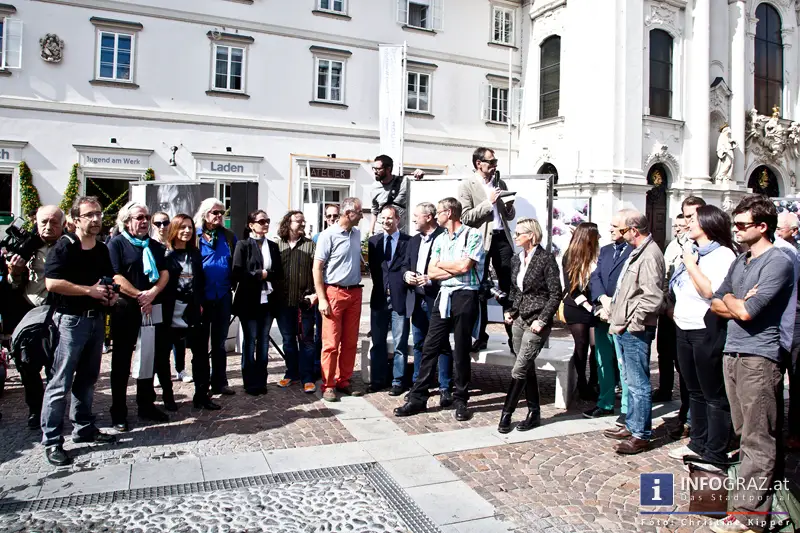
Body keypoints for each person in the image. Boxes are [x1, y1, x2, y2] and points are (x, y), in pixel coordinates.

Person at [709, 195, 794, 533]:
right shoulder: (741, 261)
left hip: (761, 356)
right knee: (745, 434)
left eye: (742, 225)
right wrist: (734, 299)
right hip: (734, 351)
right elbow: (716, 302)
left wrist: (734, 302)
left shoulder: (778, 261)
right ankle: (756, 503)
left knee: (759, 438)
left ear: (762, 226)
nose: (736, 230)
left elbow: (747, 312)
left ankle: (750, 517)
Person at [41, 196, 117, 466]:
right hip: (70, 321)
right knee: (60, 382)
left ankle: (83, 428)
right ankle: (52, 441)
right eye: (89, 215)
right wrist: (89, 290)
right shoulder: (65, 246)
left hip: (96, 320)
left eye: (98, 213)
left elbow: (107, 280)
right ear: (75, 220)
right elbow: (52, 283)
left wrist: (109, 295)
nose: (96, 219)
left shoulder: (101, 248)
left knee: (87, 378)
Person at [394, 197, 485, 422]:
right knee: (430, 345)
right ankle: (418, 397)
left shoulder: (472, 235)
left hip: (465, 294)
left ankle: (461, 399)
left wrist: (449, 266)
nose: (437, 215)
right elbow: (432, 271)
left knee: (462, 348)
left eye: (441, 212)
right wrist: (453, 267)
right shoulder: (440, 240)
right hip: (444, 295)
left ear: (450, 213)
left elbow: (466, 266)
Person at [666, 205, 737, 468]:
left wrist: (690, 264)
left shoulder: (722, 254)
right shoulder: (692, 251)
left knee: (713, 393)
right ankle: (698, 441)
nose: (687, 223)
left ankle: (716, 451)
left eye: (692, 219)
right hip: (683, 326)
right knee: (693, 389)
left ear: (708, 223)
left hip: (706, 328)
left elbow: (709, 291)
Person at [603, 209, 665, 455]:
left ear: (633, 231)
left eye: (620, 228)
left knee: (639, 383)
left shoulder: (649, 255)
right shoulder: (639, 251)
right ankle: (632, 425)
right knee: (630, 380)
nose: (617, 232)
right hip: (626, 326)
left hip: (635, 329)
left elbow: (652, 297)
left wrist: (632, 322)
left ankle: (641, 434)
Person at [108, 202, 173, 431]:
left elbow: (163, 273)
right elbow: (115, 276)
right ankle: (118, 411)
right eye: (139, 217)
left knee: (148, 358)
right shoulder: (116, 244)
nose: (144, 221)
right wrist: (139, 296)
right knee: (122, 361)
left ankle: (146, 404)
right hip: (126, 308)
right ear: (127, 221)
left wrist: (152, 293)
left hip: (151, 308)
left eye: (146, 217)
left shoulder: (154, 246)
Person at [498, 218, 561, 433]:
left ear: (531, 236)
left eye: (519, 234)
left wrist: (542, 320)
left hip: (537, 322)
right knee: (525, 366)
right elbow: (516, 290)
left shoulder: (546, 259)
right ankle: (534, 411)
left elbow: (555, 294)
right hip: (519, 320)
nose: (515, 237)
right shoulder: (517, 260)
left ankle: (506, 414)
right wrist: (511, 311)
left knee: (520, 367)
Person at [6, 205, 63, 429]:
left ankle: (53, 411)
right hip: (30, 311)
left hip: (60, 311)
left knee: (56, 365)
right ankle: (35, 409)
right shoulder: (25, 247)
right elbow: (13, 287)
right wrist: (14, 273)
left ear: (62, 224)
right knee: (28, 364)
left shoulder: (69, 245)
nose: (48, 227)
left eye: (54, 222)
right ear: (36, 224)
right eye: (43, 222)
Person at [459, 147, 515, 353]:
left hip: (502, 240)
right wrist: (488, 202)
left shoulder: (500, 183)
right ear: (478, 163)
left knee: (509, 288)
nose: (494, 166)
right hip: (481, 241)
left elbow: (507, 216)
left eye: (495, 162)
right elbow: (466, 218)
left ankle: (512, 337)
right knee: (480, 289)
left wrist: (509, 208)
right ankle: (480, 336)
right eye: (490, 162)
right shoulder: (467, 185)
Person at [164, 214, 220, 410]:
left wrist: (201, 302)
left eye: (189, 227)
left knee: (201, 355)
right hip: (171, 310)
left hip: (194, 309)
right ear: (174, 229)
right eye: (182, 227)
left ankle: (202, 395)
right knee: (164, 355)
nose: (187, 231)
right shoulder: (166, 254)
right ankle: (168, 397)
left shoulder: (195, 253)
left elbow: (200, 280)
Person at [403, 202, 454, 407]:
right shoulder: (414, 241)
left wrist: (431, 279)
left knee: (441, 344)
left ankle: (445, 388)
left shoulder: (445, 238)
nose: (414, 219)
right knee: (418, 343)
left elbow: (451, 268)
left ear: (430, 217)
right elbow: (405, 264)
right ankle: (418, 385)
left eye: (417, 216)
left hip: (436, 298)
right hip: (416, 299)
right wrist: (407, 275)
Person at [313, 197, 364, 402]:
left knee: (350, 341)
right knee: (331, 343)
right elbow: (317, 267)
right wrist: (322, 298)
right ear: (348, 213)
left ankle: (344, 380)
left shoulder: (356, 233)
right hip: (334, 292)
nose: (362, 215)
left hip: (354, 293)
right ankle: (329, 384)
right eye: (359, 212)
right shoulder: (328, 235)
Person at [585, 213, 632, 422]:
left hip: (622, 315)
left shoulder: (634, 251)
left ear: (627, 228)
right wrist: (602, 300)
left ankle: (626, 408)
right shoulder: (605, 250)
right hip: (602, 314)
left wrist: (614, 305)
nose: (610, 229)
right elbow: (595, 277)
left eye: (615, 226)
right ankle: (605, 403)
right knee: (602, 359)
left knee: (623, 363)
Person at [232, 210, 283, 396]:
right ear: (251, 224)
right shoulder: (243, 245)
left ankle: (261, 381)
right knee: (250, 341)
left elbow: (278, 272)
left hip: (268, 301)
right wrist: (257, 275)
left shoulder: (273, 246)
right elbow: (237, 272)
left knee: (263, 342)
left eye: (267, 221)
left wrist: (266, 275)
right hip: (249, 301)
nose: (265, 224)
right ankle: (249, 382)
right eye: (261, 221)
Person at [195, 198, 238, 396]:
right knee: (201, 343)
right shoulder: (194, 236)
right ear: (205, 214)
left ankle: (220, 381)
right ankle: (201, 385)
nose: (219, 216)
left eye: (222, 212)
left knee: (219, 342)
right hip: (202, 297)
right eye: (215, 212)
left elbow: (236, 264)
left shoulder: (228, 236)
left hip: (222, 295)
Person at [367, 206, 411, 394]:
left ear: (397, 219)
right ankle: (378, 380)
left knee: (400, 343)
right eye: (383, 218)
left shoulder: (408, 241)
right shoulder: (373, 242)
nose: (386, 221)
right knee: (378, 342)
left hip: (399, 298)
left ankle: (398, 381)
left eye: (390, 218)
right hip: (378, 299)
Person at [275, 211, 318, 393]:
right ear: (288, 223)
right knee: (288, 341)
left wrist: (315, 294)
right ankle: (291, 373)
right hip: (283, 302)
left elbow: (318, 271)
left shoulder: (310, 245)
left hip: (304, 302)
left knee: (307, 341)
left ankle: (307, 377)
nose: (302, 224)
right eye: (298, 221)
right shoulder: (277, 245)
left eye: (303, 221)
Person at [562, 222, 600, 401]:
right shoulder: (570, 255)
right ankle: (581, 383)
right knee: (581, 344)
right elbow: (572, 287)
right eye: (596, 235)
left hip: (595, 307)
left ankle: (594, 381)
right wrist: (588, 306)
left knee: (596, 345)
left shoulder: (597, 255)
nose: (599, 238)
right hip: (576, 306)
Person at [777, 211, 800, 449]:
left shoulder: (792, 251)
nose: (777, 233)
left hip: (797, 321)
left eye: (781, 229)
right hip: (780, 321)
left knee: (796, 380)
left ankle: (795, 431)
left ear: (793, 231)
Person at [369, 155, 423, 235]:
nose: (375, 171)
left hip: (399, 232)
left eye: (378, 169)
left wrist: (419, 173)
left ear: (388, 169)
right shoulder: (374, 187)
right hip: (380, 232)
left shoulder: (403, 182)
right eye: (374, 168)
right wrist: (371, 233)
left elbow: (422, 182)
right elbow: (374, 211)